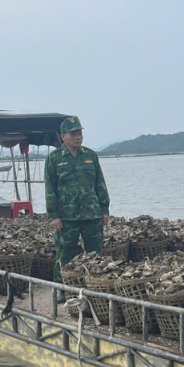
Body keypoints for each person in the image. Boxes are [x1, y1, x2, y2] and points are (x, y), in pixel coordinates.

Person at [45, 116, 110, 291]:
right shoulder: (54, 159)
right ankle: (60, 288)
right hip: (67, 217)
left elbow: (100, 184)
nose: (77, 137)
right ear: (62, 136)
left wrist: (104, 210)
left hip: (92, 214)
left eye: (79, 133)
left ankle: (95, 288)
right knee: (64, 254)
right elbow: (50, 189)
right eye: (73, 133)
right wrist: (53, 215)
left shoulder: (90, 156)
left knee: (95, 254)